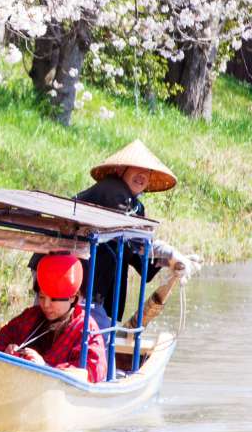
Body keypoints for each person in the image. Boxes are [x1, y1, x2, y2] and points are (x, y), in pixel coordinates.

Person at [75, 139, 190, 326]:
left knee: (99, 327)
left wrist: (171, 261)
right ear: (121, 170)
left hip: (95, 282)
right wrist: (168, 253)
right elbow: (136, 241)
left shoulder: (135, 206)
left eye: (147, 172)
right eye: (136, 169)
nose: (142, 176)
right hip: (70, 273)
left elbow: (137, 255)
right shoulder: (112, 190)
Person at [0, 257, 106, 383]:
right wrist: (7, 350)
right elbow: (0, 341)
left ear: (73, 297)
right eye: (41, 297)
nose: (45, 305)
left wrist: (45, 368)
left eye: (53, 299)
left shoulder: (85, 328)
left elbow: (93, 371)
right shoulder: (31, 315)